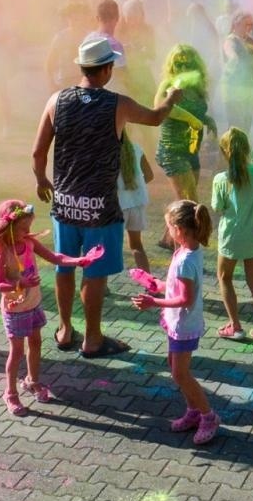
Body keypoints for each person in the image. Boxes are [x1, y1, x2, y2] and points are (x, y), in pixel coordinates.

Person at [32, 34, 182, 358]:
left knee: (64, 266)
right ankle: (93, 338)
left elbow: (37, 151)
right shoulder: (118, 104)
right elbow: (156, 117)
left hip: (65, 204)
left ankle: (64, 329)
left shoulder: (56, 100)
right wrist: (170, 98)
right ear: (105, 70)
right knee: (95, 273)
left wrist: (41, 180)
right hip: (100, 207)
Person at [0, 199, 103, 415]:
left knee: (36, 343)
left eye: (28, 227)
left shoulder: (28, 242)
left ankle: (32, 380)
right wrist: (20, 283)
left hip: (33, 303)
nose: (27, 232)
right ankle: (10, 393)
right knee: (17, 351)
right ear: (8, 227)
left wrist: (77, 261)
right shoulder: (4, 252)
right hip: (15, 307)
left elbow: (55, 257)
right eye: (22, 229)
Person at [132, 200, 220, 445]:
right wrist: (156, 285)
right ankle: (193, 411)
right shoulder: (185, 251)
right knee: (175, 368)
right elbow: (175, 287)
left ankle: (208, 416)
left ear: (180, 229)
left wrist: (153, 302)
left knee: (180, 374)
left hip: (184, 325)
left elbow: (184, 298)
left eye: (169, 226)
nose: (167, 231)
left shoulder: (185, 260)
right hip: (177, 323)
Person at [210, 128, 253, 343]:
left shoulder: (221, 179)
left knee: (224, 277)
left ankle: (235, 326)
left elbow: (217, 207)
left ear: (224, 152)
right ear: (247, 148)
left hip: (231, 237)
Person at [152, 45, 216, 217]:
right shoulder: (168, 85)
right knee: (190, 202)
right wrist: (192, 119)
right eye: (178, 65)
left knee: (185, 201)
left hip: (191, 151)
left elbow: (198, 111)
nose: (183, 69)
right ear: (172, 66)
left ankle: (169, 240)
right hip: (172, 151)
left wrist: (207, 120)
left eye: (187, 65)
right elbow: (160, 107)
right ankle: (184, 243)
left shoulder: (197, 88)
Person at [116, 131, 155, 274]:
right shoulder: (136, 148)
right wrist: (135, 185)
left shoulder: (106, 152)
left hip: (118, 206)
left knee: (109, 247)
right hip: (138, 202)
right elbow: (150, 175)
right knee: (137, 245)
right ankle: (150, 285)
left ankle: (103, 286)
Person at [221, 11, 253, 133]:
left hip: (249, 87)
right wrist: (233, 57)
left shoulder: (250, 41)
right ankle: (230, 151)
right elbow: (230, 53)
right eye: (246, 24)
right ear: (236, 24)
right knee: (235, 125)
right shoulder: (230, 40)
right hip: (234, 88)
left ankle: (243, 151)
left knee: (246, 124)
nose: (249, 27)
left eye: (251, 25)